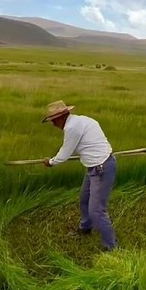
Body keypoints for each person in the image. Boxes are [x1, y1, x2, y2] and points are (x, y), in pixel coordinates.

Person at [42, 100, 117, 251]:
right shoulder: (82, 120)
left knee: (97, 210)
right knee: (84, 200)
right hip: (93, 167)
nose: (53, 124)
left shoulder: (72, 128)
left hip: (101, 168)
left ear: (60, 117)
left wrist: (51, 162)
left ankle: (111, 246)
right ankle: (86, 227)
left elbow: (64, 154)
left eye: (53, 121)